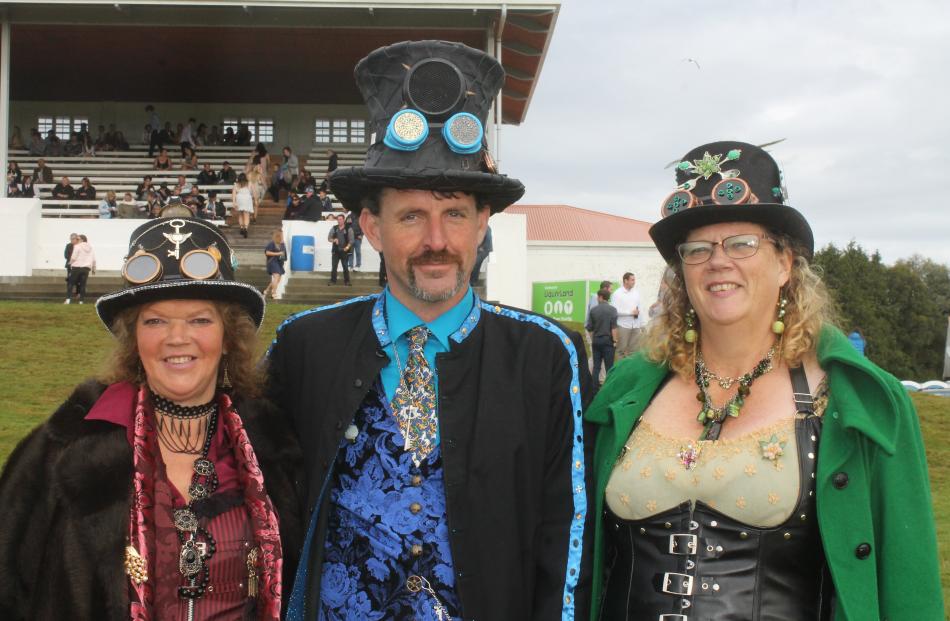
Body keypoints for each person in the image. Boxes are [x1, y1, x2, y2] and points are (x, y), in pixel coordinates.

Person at [267, 40, 593, 621]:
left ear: (483, 222)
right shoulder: (302, 347)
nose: (437, 240)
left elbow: (564, 539)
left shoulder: (544, 356)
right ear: (371, 226)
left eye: (456, 214)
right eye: (412, 215)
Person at [585, 140, 944, 620]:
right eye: (697, 249)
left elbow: (908, 587)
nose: (718, 261)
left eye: (742, 243)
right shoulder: (626, 390)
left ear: (784, 263)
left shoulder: (859, 400)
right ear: (681, 272)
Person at [0, 217, 302, 620]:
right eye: (155, 320)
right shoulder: (61, 452)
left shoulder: (274, 449)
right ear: (134, 337)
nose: (177, 338)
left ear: (228, 337)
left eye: (200, 320)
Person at [586, 288, 618, 392]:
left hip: (596, 341)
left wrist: (593, 339)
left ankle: (594, 389)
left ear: (600, 297)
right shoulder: (613, 310)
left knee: (596, 367)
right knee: (609, 367)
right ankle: (608, 389)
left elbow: (589, 328)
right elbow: (614, 328)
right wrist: (615, 341)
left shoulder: (593, 310)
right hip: (608, 341)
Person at [609, 272, 641, 359]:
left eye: (634, 280)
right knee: (621, 351)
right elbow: (614, 311)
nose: (634, 282)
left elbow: (638, 309)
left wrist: (640, 323)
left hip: (635, 325)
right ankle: (621, 371)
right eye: (632, 280)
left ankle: (632, 371)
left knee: (634, 351)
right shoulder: (617, 294)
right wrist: (630, 313)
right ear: (625, 281)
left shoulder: (636, 293)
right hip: (623, 325)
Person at [65, 233, 95, 303]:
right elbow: (94, 259)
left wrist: (70, 263)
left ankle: (68, 300)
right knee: (83, 285)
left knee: (71, 283)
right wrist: (94, 269)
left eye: (78, 239)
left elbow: (74, 257)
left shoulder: (77, 246)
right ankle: (81, 301)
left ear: (81, 240)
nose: (77, 240)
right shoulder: (90, 248)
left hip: (76, 267)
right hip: (86, 269)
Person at [326, 213, 353, 286]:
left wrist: (346, 248)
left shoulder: (349, 228)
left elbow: (351, 240)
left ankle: (347, 281)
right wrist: (334, 240)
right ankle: (333, 281)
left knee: (345, 267)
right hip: (335, 251)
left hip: (344, 251)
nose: (339, 221)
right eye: (338, 219)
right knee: (334, 267)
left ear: (344, 220)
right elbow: (329, 238)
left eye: (340, 219)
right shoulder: (334, 228)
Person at [263, 230, 287, 301]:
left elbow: (283, 254)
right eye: (281, 235)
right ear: (278, 236)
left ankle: (266, 291)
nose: (283, 236)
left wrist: (283, 256)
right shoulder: (272, 243)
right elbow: (267, 252)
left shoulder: (282, 244)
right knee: (276, 277)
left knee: (277, 279)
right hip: (272, 262)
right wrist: (278, 254)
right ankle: (274, 293)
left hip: (279, 263)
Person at [231, 172, 255, 238]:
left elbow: (234, 194)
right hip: (247, 199)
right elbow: (253, 192)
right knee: (246, 215)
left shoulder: (236, 184)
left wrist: (234, 202)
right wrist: (254, 199)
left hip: (239, 199)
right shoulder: (249, 183)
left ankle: (241, 227)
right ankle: (246, 228)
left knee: (241, 214)